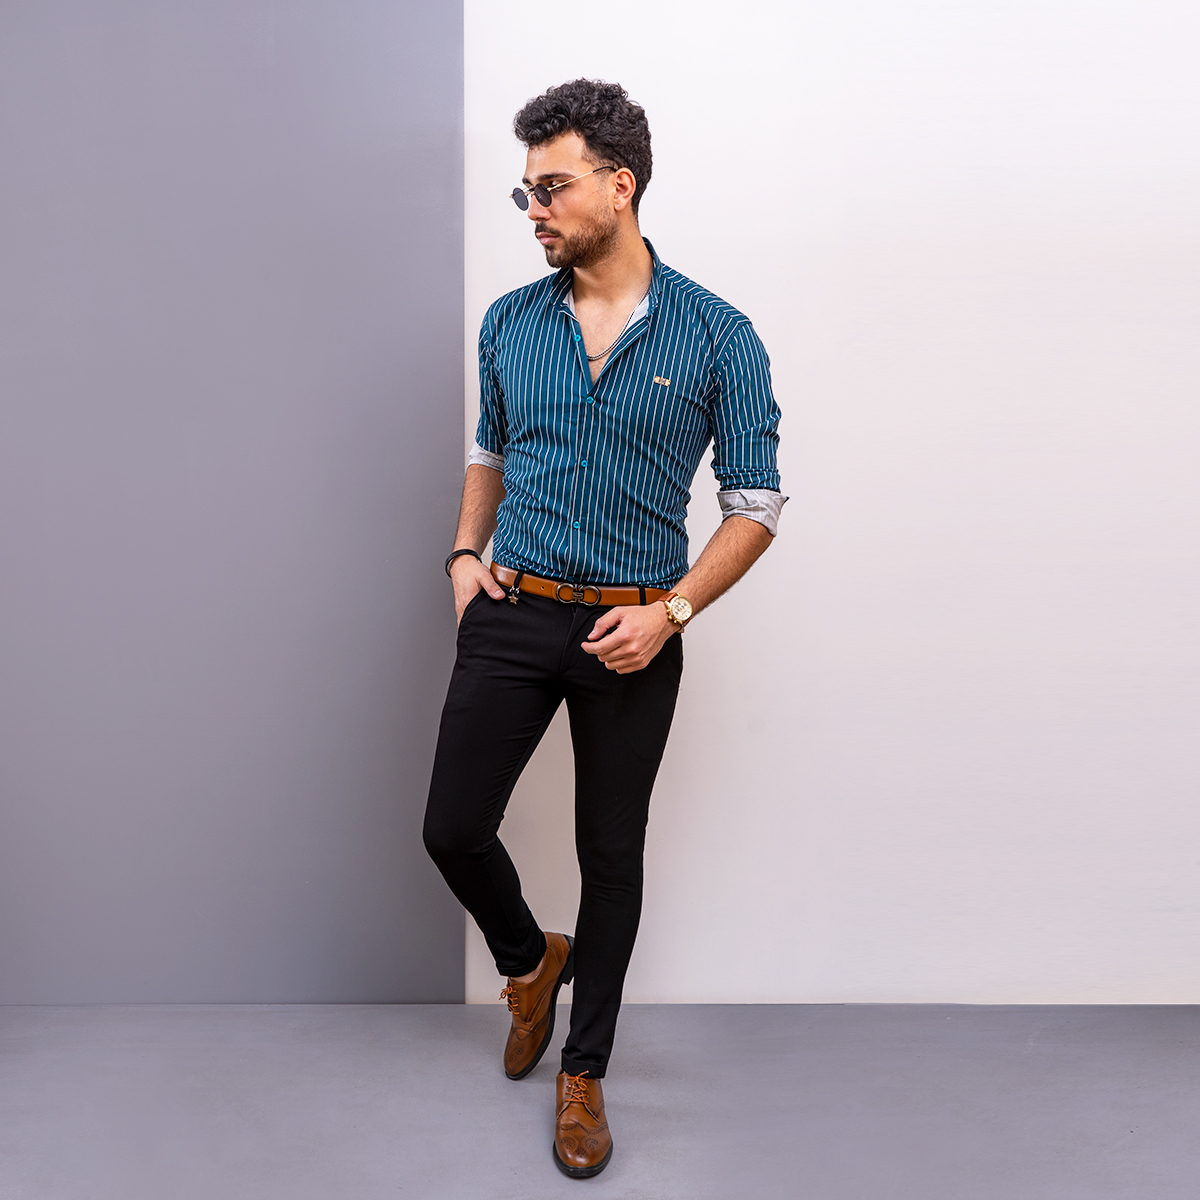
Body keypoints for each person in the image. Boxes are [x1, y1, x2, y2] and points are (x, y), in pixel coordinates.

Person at [422, 78, 785, 1180]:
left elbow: (755, 504)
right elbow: (490, 450)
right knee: (451, 829)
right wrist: (464, 555)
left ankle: (583, 1074)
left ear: (619, 186)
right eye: (525, 192)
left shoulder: (719, 335)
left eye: (552, 188)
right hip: (511, 609)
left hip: (632, 633)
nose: (533, 210)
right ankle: (531, 961)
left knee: (609, 857)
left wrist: (670, 614)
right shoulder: (509, 322)